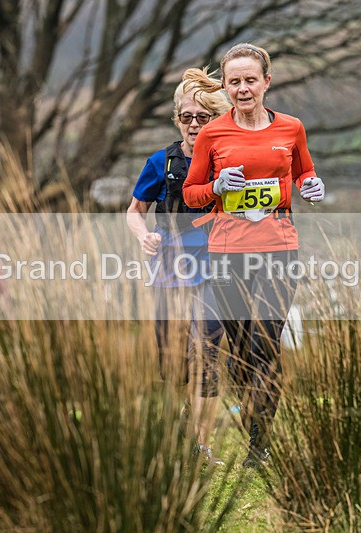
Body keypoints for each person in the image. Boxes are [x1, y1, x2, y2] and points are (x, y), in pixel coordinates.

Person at [182, 43, 325, 468]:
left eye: (250, 80)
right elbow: (192, 195)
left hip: (279, 249)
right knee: (243, 353)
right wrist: (218, 188)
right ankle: (251, 424)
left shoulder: (291, 128)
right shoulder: (212, 134)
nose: (243, 89)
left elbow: (305, 172)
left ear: (267, 82)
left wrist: (312, 188)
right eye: (234, 82)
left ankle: (259, 447)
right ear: (225, 87)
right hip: (227, 252)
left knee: (265, 344)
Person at [126, 68, 232, 463]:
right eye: (186, 116)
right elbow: (134, 212)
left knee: (206, 351)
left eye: (202, 117)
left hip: (214, 267)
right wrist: (144, 236)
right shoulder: (160, 162)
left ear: (215, 121)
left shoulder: (227, 162)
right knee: (171, 360)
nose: (192, 124)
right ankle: (176, 438)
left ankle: (202, 445)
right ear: (177, 119)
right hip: (168, 267)